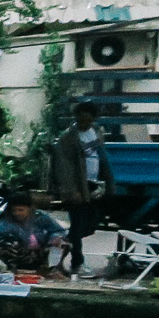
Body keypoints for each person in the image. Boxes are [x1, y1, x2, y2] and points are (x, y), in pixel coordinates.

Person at [49, 102, 111, 271]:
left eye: (88, 120)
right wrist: (71, 190)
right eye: (81, 119)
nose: (84, 123)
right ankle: (77, 261)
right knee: (77, 224)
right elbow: (63, 167)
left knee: (90, 224)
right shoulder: (68, 138)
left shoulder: (97, 132)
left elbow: (101, 156)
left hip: (93, 184)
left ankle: (62, 243)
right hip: (77, 187)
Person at [0, 192, 68, 273]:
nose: (17, 213)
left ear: (29, 209)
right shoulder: (6, 223)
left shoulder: (41, 217)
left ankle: (54, 269)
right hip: (19, 255)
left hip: (41, 253)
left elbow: (59, 230)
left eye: (21, 210)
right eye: (14, 210)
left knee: (64, 243)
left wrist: (55, 237)